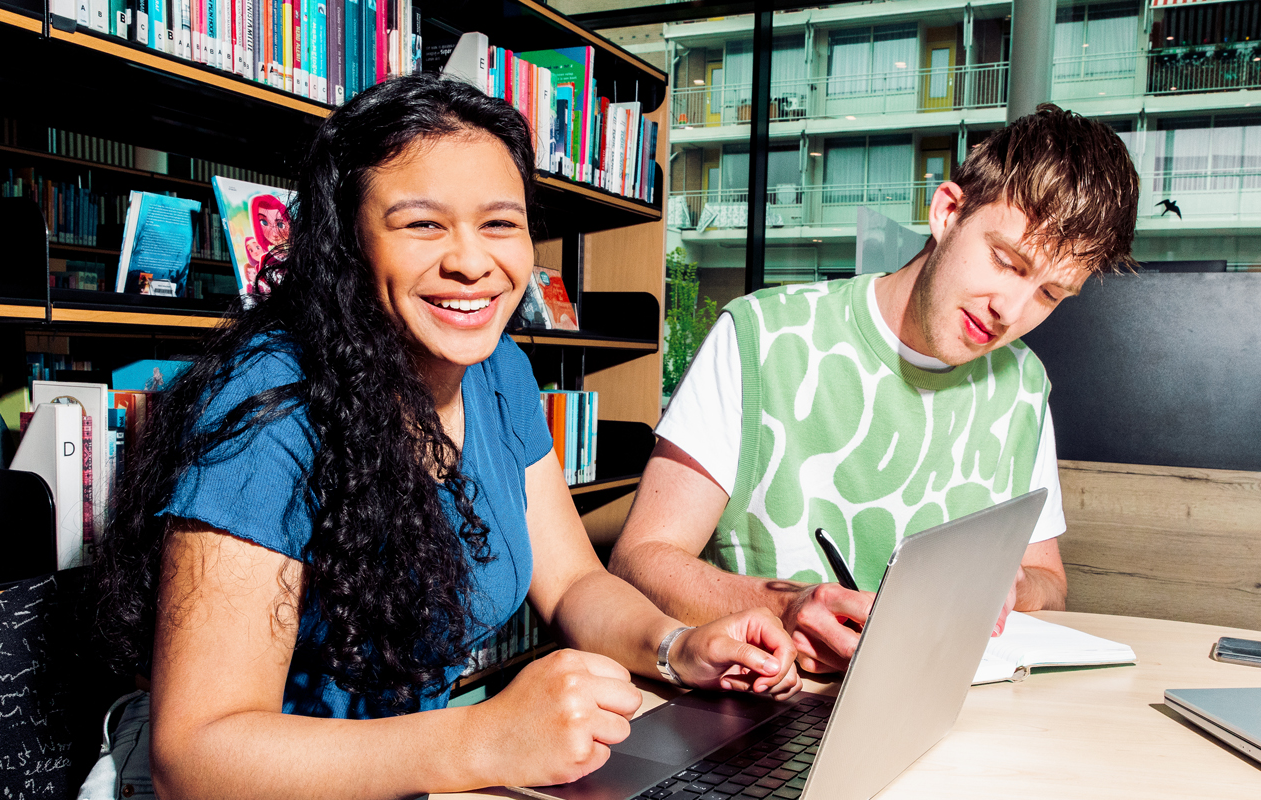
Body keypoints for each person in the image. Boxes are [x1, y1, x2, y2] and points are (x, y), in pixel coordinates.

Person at [92, 74, 800, 800]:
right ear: (346, 242)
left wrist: (679, 648)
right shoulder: (267, 412)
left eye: (500, 223)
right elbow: (196, 760)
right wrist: (485, 737)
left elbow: (576, 584)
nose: (471, 261)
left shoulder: (499, 371)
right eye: (422, 224)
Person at [609, 104, 1140, 674]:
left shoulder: (1024, 384)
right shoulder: (760, 336)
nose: (1010, 311)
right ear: (947, 212)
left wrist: (1012, 582)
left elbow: (1050, 583)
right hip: (758, 708)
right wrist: (784, 605)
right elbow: (639, 559)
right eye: (1006, 262)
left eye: (1050, 295)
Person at [241, 193, 291, 295]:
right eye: (264, 223)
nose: (274, 232)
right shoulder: (266, 259)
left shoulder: (297, 256)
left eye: (280, 224)